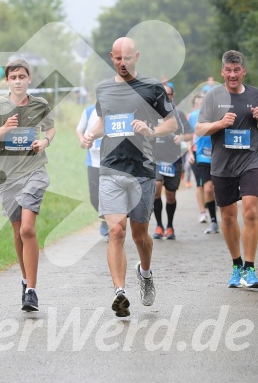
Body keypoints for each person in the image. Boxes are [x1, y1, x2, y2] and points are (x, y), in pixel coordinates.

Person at [82, 37, 176, 317]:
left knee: (140, 236)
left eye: (128, 58)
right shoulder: (104, 88)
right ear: (112, 57)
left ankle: (145, 273)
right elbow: (103, 120)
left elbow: (171, 123)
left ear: (137, 56)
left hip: (143, 170)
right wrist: (91, 134)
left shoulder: (152, 88)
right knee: (116, 231)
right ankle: (119, 292)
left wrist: (151, 131)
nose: (123, 64)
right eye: (118, 59)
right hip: (110, 168)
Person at [0, 58, 55, 312]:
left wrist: (45, 142)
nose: (18, 81)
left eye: (22, 76)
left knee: (28, 229)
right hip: (7, 177)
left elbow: (50, 129)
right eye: (13, 77)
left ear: (29, 79)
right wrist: (3, 131)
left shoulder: (39, 104)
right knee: (17, 229)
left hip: (34, 172)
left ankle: (31, 291)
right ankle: (25, 280)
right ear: (7, 81)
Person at [196, 50, 258, 289]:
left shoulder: (255, 94)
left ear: (243, 71)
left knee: (250, 212)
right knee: (228, 218)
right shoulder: (213, 96)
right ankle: (236, 265)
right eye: (228, 70)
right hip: (223, 164)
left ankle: (250, 269)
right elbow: (199, 129)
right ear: (222, 72)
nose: (232, 75)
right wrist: (220, 124)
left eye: (236, 70)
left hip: (250, 161)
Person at [152, 84, 193, 240]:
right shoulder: (151, 113)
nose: (165, 97)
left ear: (173, 96)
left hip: (173, 161)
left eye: (168, 94)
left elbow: (190, 135)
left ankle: (169, 226)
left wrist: (181, 138)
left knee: (170, 195)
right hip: (156, 159)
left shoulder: (179, 114)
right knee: (156, 188)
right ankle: (159, 226)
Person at [187, 93, 219, 234]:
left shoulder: (218, 114)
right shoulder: (193, 116)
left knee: (218, 188)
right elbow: (188, 135)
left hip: (219, 156)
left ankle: (223, 214)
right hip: (201, 156)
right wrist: (189, 153)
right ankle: (212, 220)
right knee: (206, 188)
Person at [76, 104, 108, 240]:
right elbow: (79, 130)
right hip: (93, 162)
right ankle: (106, 220)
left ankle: (112, 226)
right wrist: (83, 141)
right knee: (94, 198)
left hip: (113, 163)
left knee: (110, 196)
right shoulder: (89, 111)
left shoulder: (116, 109)